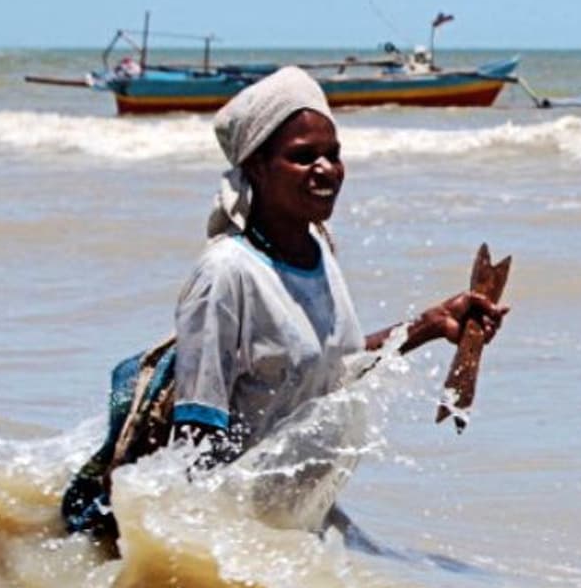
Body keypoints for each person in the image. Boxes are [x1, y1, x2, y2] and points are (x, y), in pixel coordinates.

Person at [62, 66, 506, 544]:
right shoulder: (225, 275)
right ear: (255, 167)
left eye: (333, 155)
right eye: (303, 157)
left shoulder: (320, 252)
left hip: (297, 524)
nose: (326, 169)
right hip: (237, 535)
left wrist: (431, 324)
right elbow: (192, 442)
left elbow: (334, 367)